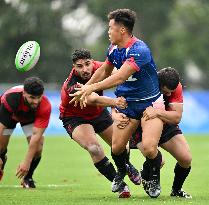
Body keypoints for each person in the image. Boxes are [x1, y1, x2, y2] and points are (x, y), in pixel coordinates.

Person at [70, 9, 164, 198]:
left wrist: (90, 89)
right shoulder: (113, 49)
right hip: (126, 105)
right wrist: (86, 88)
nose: (108, 31)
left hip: (150, 104)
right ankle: (121, 173)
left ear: (122, 30)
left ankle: (152, 176)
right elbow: (105, 70)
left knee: (149, 148)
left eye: (110, 28)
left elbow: (120, 77)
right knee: (117, 148)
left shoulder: (139, 50)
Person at [59, 48, 141, 198]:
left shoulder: (99, 67)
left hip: (98, 113)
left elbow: (120, 74)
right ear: (74, 67)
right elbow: (93, 99)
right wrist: (115, 102)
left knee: (122, 144)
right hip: (74, 117)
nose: (85, 69)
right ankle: (121, 185)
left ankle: (126, 166)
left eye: (87, 64)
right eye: (79, 66)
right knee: (94, 148)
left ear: (92, 62)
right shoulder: (71, 85)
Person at [119, 67, 192, 198]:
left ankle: (176, 191)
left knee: (186, 159)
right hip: (140, 126)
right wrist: (117, 114)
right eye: (166, 91)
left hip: (165, 121)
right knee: (159, 161)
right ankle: (149, 175)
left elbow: (176, 117)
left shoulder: (176, 86)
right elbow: (121, 99)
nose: (168, 95)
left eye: (171, 92)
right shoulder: (142, 83)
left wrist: (157, 112)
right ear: (158, 83)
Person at [0, 77, 51, 188]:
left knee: (38, 148)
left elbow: (36, 137)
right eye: (32, 97)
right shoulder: (10, 99)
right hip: (9, 116)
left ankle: (28, 177)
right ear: (24, 93)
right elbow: (0, 128)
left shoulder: (45, 106)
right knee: (1, 148)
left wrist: (27, 161)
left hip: (29, 119)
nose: (36, 101)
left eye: (39, 97)